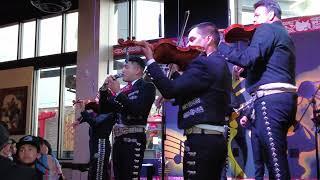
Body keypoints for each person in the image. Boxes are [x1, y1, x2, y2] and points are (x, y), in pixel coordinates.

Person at [136, 22, 232, 179]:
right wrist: (174, 76)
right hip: (208, 139)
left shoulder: (204, 63)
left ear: (208, 39)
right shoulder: (216, 64)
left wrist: (151, 61)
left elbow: (171, 90)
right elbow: (184, 92)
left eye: (192, 39)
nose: (187, 46)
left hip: (203, 140)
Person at [218, 0, 297, 179]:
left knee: (275, 162)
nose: (253, 20)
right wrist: (245, 71)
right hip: (282, 100)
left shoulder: (267, 29)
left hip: (271, 102)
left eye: (257, 15)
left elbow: (248, 58)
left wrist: (220, 46)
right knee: (273, 158)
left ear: (270, 15)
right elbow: (271, 65)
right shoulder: (283, 33)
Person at [107, 56, 156, 180]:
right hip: (118, 140)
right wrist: (104, 91)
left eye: (126, 66)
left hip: (133, 139)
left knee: (129, 176)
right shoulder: (124, 90)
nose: (122, 70)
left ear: (137, 70)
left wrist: (118, 93)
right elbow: (104, 110)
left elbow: (137, 111)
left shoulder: (147, 87)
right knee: (118, 177)